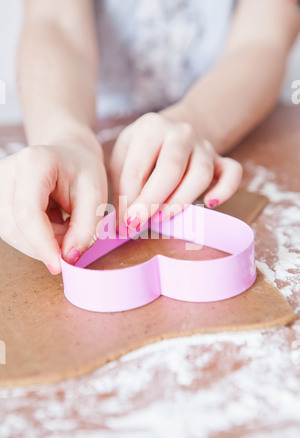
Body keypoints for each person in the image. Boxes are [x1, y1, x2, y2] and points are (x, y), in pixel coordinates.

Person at [0, 0, 299, 275]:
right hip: (93, 119)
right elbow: (54, 22)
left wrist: (197, 120)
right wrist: (64, 136)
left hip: (225, 114)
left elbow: (263, 38)